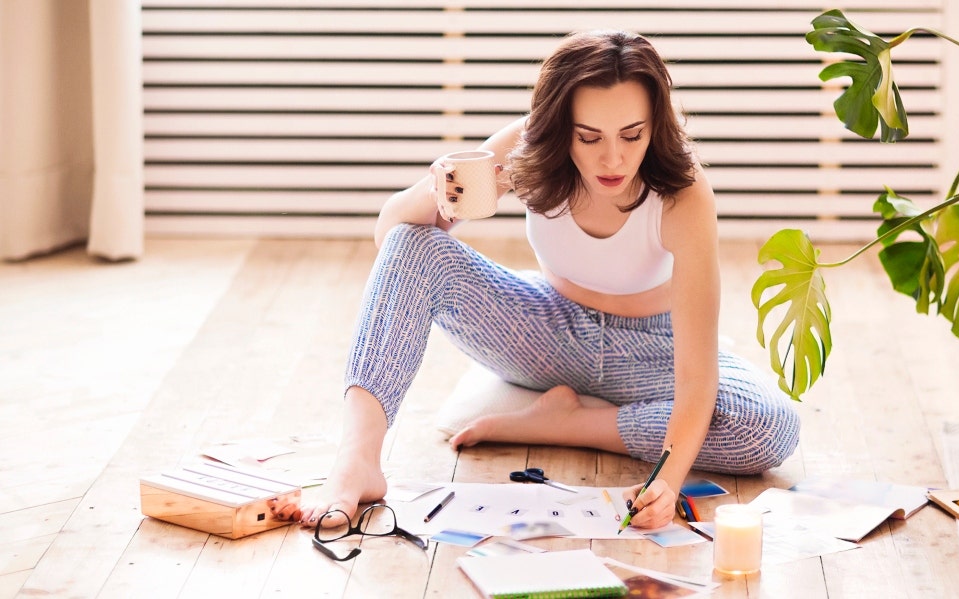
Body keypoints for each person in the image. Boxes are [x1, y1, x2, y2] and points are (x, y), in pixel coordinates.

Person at [296, 30, 799, 531]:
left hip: (652, 347)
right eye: (589, 137)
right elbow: (393, 237)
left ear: (655, 126)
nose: (613, 159)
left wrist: (664, 481)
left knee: (767, 429)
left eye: (632, 134)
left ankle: (571, 424)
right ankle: (357, 460)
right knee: (414, 244)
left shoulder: (684, 194)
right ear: (561, 127)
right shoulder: (529, 146)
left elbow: (695, 378)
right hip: (544, 328)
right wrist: (437, 192)